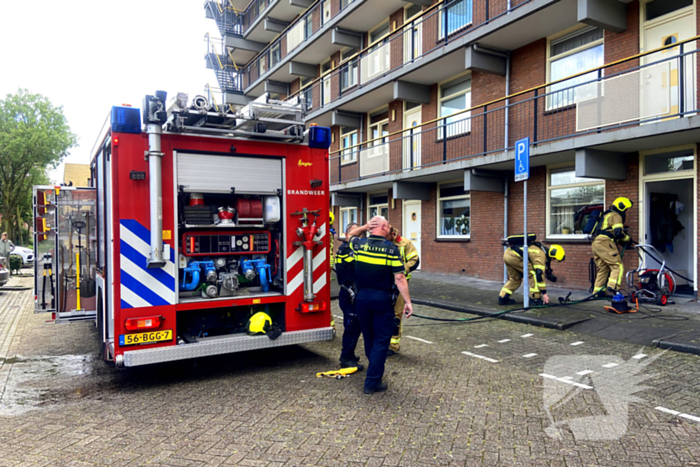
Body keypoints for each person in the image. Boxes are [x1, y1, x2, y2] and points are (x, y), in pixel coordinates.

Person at [347, 216, 412, 394]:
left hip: (362, 299)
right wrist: (407, 301)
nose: (390, 230)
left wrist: (365, 227)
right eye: (388, 226)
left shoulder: (359, 244)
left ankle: (373, 372)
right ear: (383, 227)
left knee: (369, 337)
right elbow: (399, 277)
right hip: (381, 299)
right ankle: (372, 382)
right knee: (382, 340)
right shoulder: (391, 249)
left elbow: (350, 235)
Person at [498, 239, 566, 306]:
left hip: (507, 254)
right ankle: (535, 298)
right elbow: (539, 273)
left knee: (515, 278)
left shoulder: (541, 250)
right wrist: (544, 293)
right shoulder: (541, 255)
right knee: (534, 274)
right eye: (554, 258)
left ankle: (503, 297)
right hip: (516, 256)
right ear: (552, 254)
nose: (553, 260)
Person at [334, 222, 363, 370]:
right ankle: (345, 358)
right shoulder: (345, 250)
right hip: (349, 294)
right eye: (354, 235)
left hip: (352, 293)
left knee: (355, 327)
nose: (357, 239)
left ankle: (350, 354)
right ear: (347, 236)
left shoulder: (350, 249)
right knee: (351, 328)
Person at [386, 226, 420, 356]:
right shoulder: (382, 243)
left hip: (400, 285)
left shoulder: (405, 243)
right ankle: (383, 341)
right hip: (384, 284)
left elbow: (415, 260)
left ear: (392, 234)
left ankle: (393, 345)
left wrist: (400, 270)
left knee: (396, 314)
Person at [592, 197, 633, 297]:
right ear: (622, 207)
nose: (626, 211)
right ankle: (614, 287)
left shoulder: (606, 215)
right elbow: (618, 233)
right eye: (626, 209)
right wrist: (628, 239)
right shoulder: (616, 215)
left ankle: (598, 292)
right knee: (617, 266)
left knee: (603, 268)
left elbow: (611, 233)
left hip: (596, 243)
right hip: (605, 242)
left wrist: (624, 244)